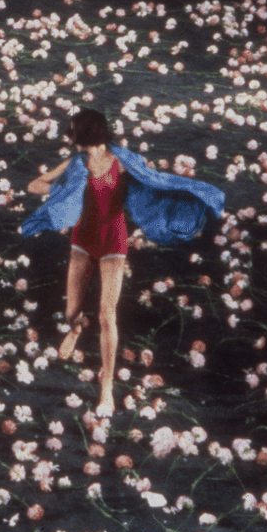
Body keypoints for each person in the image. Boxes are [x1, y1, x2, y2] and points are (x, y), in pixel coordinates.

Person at [22, 108, 224, 416]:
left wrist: (179, 202)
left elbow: (155, 182)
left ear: (87, 133)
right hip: (82, 242)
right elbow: (34, 184)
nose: (70, 138)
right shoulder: (76, 163)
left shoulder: (122, 161)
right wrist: (62, 189)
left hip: (113, 243)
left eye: (74, 132)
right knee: (71, 312)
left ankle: (107, 387)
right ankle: (75, 330)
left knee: (107, 316)